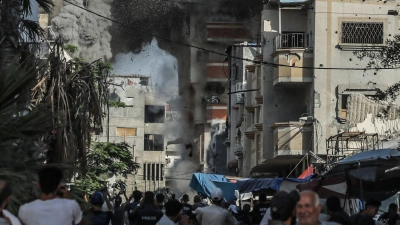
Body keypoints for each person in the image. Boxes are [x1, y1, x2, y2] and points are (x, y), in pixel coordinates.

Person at [18, 166, 84, 225]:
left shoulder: (25, 209)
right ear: (58, 185)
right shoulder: (71, 205)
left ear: (38, 184)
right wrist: (68, 199)